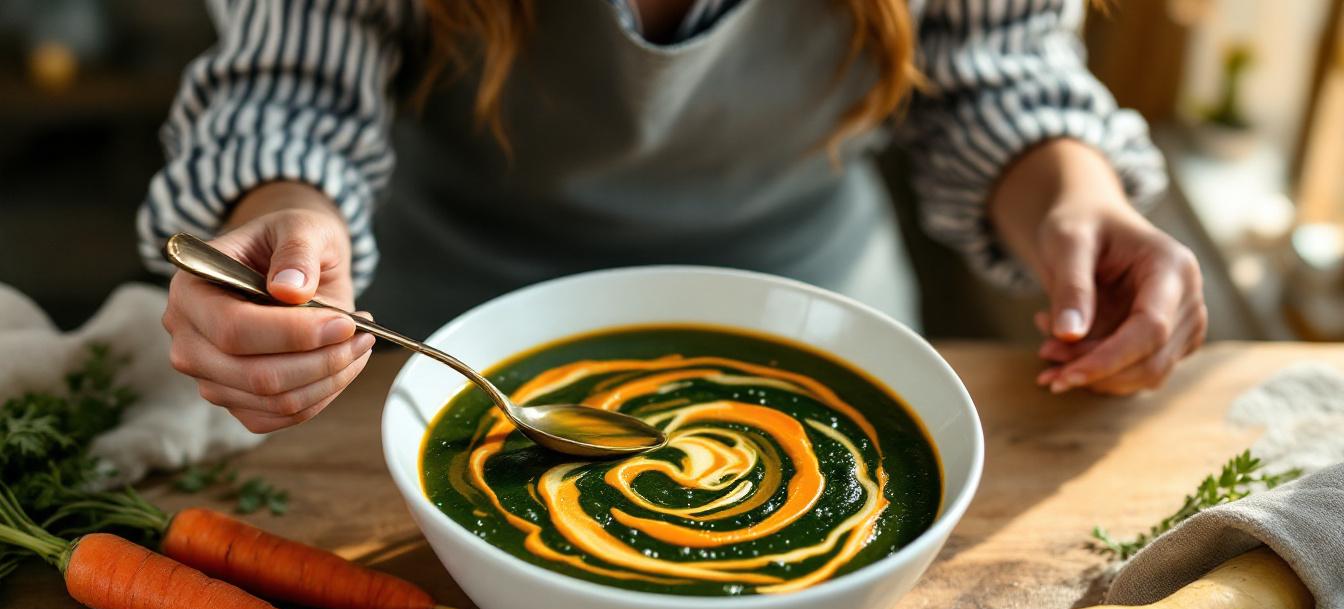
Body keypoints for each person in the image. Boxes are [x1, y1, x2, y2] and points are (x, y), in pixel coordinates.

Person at [142, 0, 1208, 434]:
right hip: (430, 345)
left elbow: (991, 70)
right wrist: (282, 211)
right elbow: (295, 87)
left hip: (818, 320)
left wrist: (1078, 199)